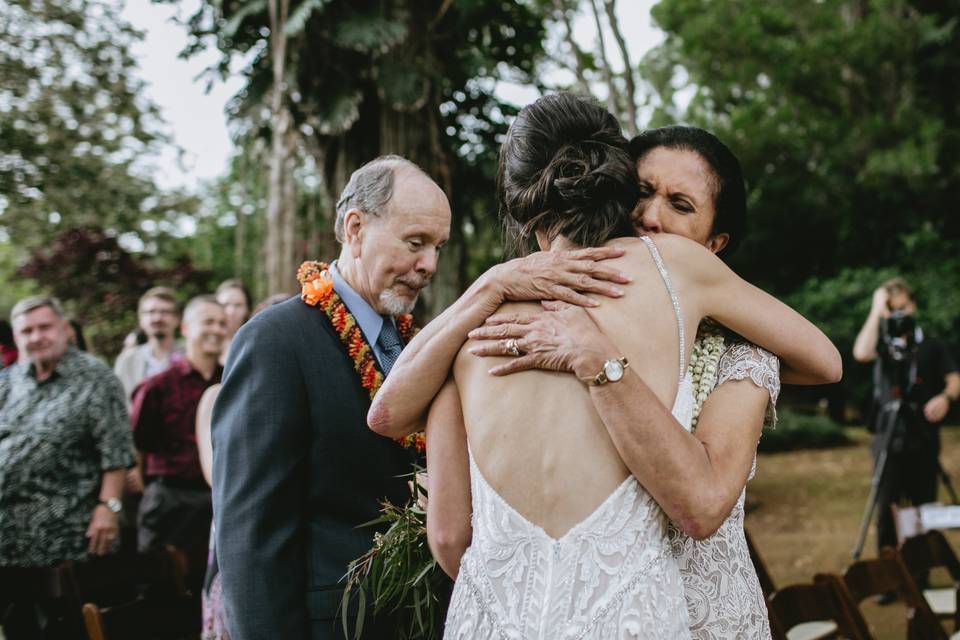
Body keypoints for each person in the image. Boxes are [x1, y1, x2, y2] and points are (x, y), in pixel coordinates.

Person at [375, 93, 841, 638]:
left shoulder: (476, 335)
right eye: (642, 194)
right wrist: (492, 283)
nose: (650, 217)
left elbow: (449, 537)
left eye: (680, 205)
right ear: (615, 185)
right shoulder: (655, 274)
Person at [853, 277, 960, 554]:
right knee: (886, 507)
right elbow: (861, 352)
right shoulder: (882, 346)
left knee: (924, 506)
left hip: (922, 434)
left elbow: (955, 379)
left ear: (913, 306)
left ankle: (922, 569)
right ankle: (891, 577)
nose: (899, 314)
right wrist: (878, 309)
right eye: (892, 308)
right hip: (888, 435)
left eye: (903, 307)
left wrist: (945, 397)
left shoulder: (931, 344)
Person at [130, 295, 225, 576]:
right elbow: (136, 443)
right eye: (208, 321)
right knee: (158, 588)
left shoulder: (232, 380)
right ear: (185, 328)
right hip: (169, 499)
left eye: (222, 323)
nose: (217, 329)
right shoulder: (157, 386)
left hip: (216, 500)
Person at [114, 286, 182, 402]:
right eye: (151, 312)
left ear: (177, 319)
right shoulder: (127, 361)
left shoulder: (188, 357)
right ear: (141, 319)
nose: (157, 318)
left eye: (165, 312)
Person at [215, 279, 252, 365]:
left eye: (238, 305)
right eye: (225, 305)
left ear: (248, 310)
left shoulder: (253, 344)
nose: (231, 312)